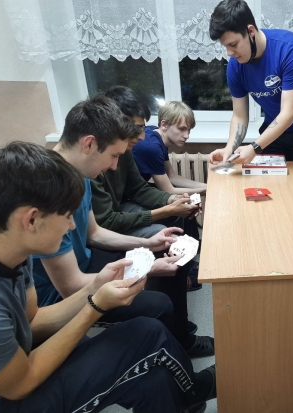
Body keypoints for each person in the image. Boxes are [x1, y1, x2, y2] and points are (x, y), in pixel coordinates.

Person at [0, 141, 215, 413]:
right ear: (31, 220)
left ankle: (191, 393)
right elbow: (20, 384)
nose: (72, 226)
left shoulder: (15, 254)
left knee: (152, 371)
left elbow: (33, 322)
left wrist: (96, 287)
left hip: (21, 362)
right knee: (149, 337)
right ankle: (196, 390)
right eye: (67, 216)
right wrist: (95, 306)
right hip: (10, 398)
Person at [32, 96, 214, 358]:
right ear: (89, 144)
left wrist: (149, 243)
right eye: (114, 156)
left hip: (86, 261)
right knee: (159, 304)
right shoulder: (48, 191)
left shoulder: (80, 176)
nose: (114, 166)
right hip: (63, 293)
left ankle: (180, 337)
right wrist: (148, 269)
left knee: (163, 250)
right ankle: (174, 353)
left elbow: (94, 233)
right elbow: (70, 286)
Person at [208, 0, 293, 191]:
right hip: (272, 129)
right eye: (225, 47)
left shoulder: (292, 49)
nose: (230, 53)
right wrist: (229, 149)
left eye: (233, 44)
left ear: (250, 31)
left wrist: (254, 147)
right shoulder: (235, 66)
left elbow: (288, 114)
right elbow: (239, 115)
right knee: (267, 188)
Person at [91, 86, 201, 240]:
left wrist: (173, 200)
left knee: (178, 212)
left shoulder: (128, 150)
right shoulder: (90, 166)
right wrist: (168, 210)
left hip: (122, 205)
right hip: (113, 216)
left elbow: (139, 189)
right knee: (163, 231)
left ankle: (192, 250)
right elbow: (106, 221)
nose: (142, 136)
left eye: (143, 128)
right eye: (137, 128)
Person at [132, 100, 207, 195]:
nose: (187, 136)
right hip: (127, 196)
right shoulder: (152, 147)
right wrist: (204, 191)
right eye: (182, 129)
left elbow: (171, 176)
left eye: (189, 130)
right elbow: (168, 190)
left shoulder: (156, 134)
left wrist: (206, 186)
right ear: (164, 125)